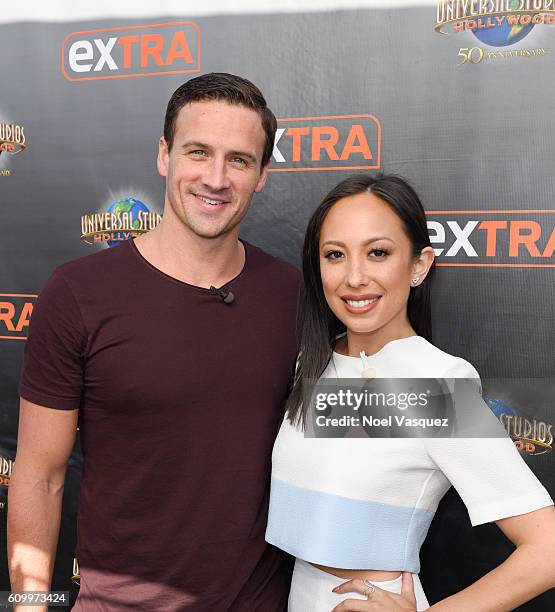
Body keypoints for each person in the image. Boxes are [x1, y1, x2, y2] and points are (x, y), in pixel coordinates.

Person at [8, 73, 301, 611]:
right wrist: (29, 607)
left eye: (238, 160)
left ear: (261, 175)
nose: (215, 178)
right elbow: (39, 476)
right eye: (197, 152)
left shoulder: (292, 294)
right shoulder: (77, 293)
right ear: (164, 155)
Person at [265, 174, 555, 611]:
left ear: (419, 265)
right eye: (335, 255)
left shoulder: (437, 384)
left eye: (378, 253)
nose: (355, 277)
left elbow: (547, 548)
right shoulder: (313, 363)